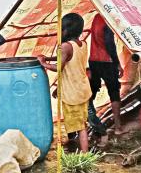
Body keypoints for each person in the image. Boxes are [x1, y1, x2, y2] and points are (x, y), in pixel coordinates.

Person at [38, 13, 93, 153]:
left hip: (73, 93)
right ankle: (80, 149)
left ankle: (85, 155)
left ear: (65, 31)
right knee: (81, 123)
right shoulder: (82, 44)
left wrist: (43, 63)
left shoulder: (65, 46)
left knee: (80, 127)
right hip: (82, 89)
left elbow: (58, 67)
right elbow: (69, 62)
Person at [87, 13, 124, 145]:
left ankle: (91, 120)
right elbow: (109, 44)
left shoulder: (97, 16)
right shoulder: (108, 19)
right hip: (107, 61)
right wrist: (117, 63)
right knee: (114, 92)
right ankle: (118, 127)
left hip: (93, 60)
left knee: (92, 91)